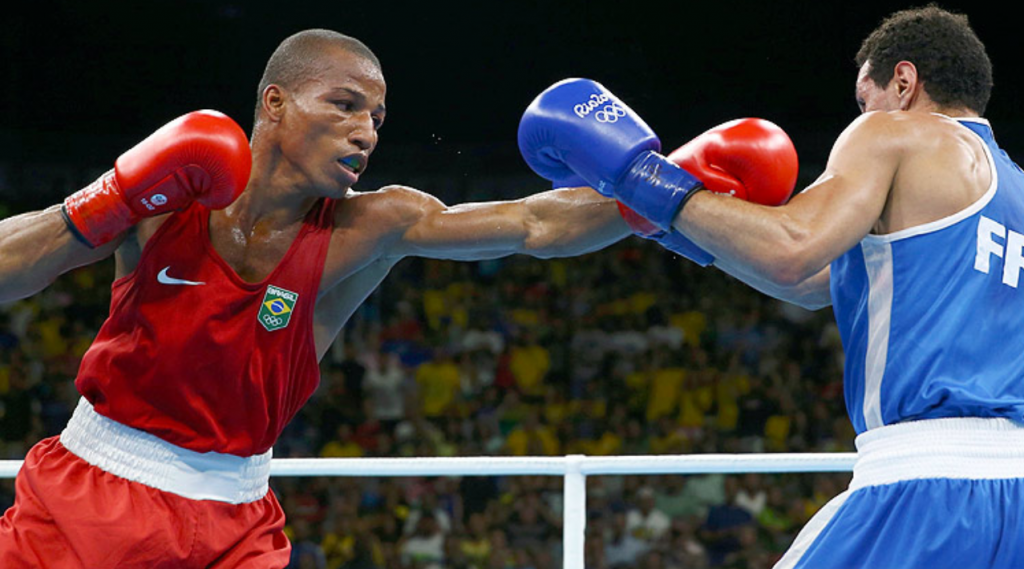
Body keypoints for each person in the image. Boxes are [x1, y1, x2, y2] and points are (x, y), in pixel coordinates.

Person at [0, 29, 648, 568]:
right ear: (276, 102)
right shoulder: (171, 197)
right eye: (344, 105)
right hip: (89, 495)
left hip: (238, 521)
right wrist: (110, 196)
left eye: (376, 118)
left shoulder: (372, 225)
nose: (365, 131)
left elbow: (536, 225)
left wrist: (673, 187)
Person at [518, 5, 1024, 568]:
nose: (861, 114)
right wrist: (672, 225)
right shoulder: (1015, 191)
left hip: (926, 480)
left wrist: (641, 178)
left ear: (902, 82)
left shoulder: (893, 134)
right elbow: (813, 282)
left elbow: (791, 248)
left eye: (864, 99)